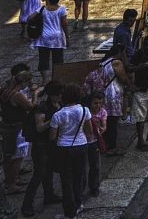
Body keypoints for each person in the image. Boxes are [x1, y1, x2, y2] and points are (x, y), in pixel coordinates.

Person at [49, 83, 92, 219]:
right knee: (78, 177)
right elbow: (89, 131)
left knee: (66, 180)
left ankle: (69, 212)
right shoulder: (85, 110)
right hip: (81, 145)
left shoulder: (58, 115)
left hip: (64, 148)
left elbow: (52, 136)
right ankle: (79, 204)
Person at [21, 80, 63, 216]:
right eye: (58, 95)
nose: (60, 97)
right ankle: (27, 204)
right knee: (39, 174)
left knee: (49, 170)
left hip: (52, 144)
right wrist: (54, 120)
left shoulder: (59, 104)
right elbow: (39, 128)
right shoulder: (42, 107)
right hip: (41, 145)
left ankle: (49, 195)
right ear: (51, 95)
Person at [84, 44, 130, 156]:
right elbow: (123, 78)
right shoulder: (116, 63)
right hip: (112, 96)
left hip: (102, 95)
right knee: (113, 122)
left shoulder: (104, 62)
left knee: (104, 120)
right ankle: (111, 147)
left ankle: (103, 145)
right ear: (121, 52)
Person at [0, 63, 36, 194]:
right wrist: (35, 94)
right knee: (18, 156)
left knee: (8, 156)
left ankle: (10, 180)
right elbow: (31, 106)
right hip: (18, 128)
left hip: (7, 125)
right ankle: (13, 182)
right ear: (24, 82)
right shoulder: (17, 95)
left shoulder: (4, 91)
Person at [32, 0, 68, 79]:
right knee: (58, 60)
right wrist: (67, 37)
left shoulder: (42, 9)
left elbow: (29, 18)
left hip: (44, 37)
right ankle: (56, 78)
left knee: (43, 60)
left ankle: (45, 80)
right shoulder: (62, 9)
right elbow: (64, 24)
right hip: (57, 38)